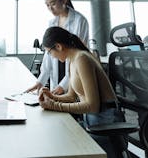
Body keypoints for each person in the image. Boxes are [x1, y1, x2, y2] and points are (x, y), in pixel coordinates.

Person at [39, 26, 125, 158]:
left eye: (49, 52)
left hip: (106, 121)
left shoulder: (82, 59)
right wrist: (52, 97)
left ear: (58, 46)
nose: (51, 56)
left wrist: (54, 106)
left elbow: (92, 106)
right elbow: (71, 97)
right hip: (92, 119)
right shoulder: (72, 60)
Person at [26, 0, 89, 95]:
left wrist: (64, 85)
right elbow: (48, 54)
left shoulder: (80, 21)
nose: (50, 8)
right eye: (47, 5)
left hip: (74, 77)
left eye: (53, 3)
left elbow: (79, 58)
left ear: (63, 0)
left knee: (72, 107)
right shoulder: (52, 23)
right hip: (57, 77)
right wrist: (40, 81)